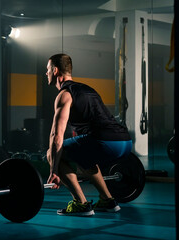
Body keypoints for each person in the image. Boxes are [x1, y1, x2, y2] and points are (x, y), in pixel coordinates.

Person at [45, 53, 132, 216]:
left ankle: (81, 204)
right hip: (125, 142)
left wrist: (53, 170)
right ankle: (108, 200)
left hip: (105, 142)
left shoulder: (64, 95)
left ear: (55, 71)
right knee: (84, 156)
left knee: (52, 152)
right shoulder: (87, 88)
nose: (46, 73)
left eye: (48, 69)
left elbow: (56, 137)